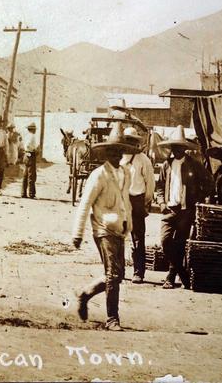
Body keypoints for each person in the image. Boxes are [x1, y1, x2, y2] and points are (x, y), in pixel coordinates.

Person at [72, 122, 137, 331]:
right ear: (106, 153)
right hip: (102, 229)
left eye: (120, 152)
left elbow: (126, 202)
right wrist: (77, 233)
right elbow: (85, 204)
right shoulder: (98, 175)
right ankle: (112, 319)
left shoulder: (126, 174)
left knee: (118, 275)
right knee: (112, 274)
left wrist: (129, 225)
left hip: (119, 229)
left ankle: (85, 293)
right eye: (113, 151)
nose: (117, 156)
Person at [158, 125, 213, 289]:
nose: (177, 150)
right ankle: (183, 274)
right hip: (169, 210)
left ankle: (170, 277)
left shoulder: (193, 165)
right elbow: (160, 186)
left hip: (185, 211)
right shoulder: (166, 165)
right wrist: (161, 202)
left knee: (180, 243)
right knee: (165, 241)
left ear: (185, 148)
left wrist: (197, 198)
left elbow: (209, 182)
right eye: (174, 147)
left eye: (180, 147)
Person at [120, 127, 155, 284]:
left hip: (137, 200)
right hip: (121, 201)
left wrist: (145, 202)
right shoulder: (119, 158)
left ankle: (138, 272)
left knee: (138, 238)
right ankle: (118, 270)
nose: (130, 143)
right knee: (118, 236)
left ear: (136, 142)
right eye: (127, 140)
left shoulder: (143, 160)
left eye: (132, 140)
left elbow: (150, 184)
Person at [21, 122, 39, 199]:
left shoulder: (26, 136)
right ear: (33, 129)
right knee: (31, 175)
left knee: (25, 175)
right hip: (31, 155)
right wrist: (34, 149)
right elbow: (29, 145)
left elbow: (24, 145)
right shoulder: (32, 136)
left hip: (26, 155)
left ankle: (23, 193)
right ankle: (31, 193)